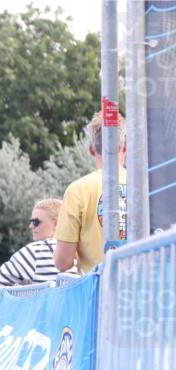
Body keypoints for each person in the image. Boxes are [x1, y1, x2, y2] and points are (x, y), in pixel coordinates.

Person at [54, 111, 128, 274]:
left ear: (91, 149)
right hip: (146, 287)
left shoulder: (77, 190)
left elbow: (62, 262)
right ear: (125, 146)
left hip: (99, 291)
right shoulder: (147, 185)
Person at [0, 199, 67, 287]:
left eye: (36, 222)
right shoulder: (79, 251)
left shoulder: (36, 251)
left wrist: (27, 292)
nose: (31, 226)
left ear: (56, 224)